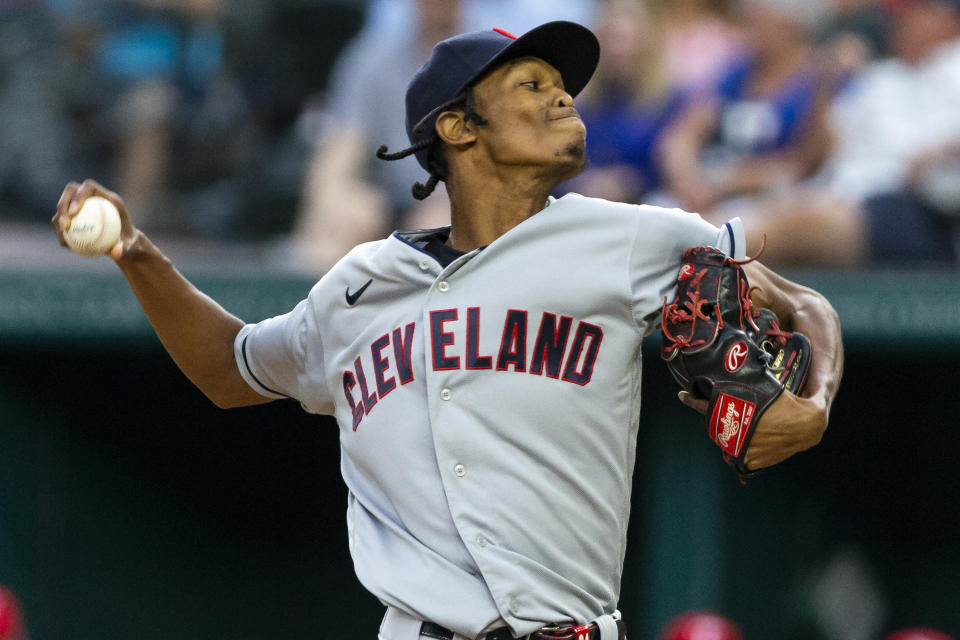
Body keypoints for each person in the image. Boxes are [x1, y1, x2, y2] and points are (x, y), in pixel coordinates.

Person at [53, 21, 843, 640]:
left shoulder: (633, 237)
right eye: (532, 83)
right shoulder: (357, 288)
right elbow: (231, 368)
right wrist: (135, 251)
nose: (563, 97)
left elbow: (803, 306)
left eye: (563, 86)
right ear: (460, 128)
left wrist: (816, 400)